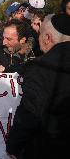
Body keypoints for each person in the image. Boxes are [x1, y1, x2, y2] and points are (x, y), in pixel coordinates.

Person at [6, 13, 70, 159]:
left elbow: (30, 113)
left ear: (47, 38)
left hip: (51, 147)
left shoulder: (40, 69)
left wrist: (13, 146)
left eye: (39, 34)